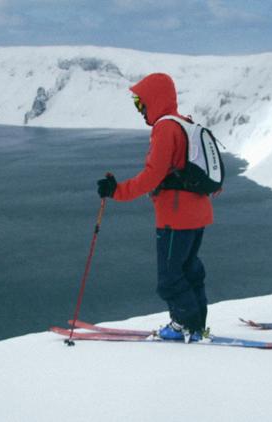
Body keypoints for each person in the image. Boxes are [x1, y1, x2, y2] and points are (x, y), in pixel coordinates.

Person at [96, 73, 213, 342]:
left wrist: (117, 191)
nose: (140, 110)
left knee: (171, 278)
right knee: (190, 270)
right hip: (197, 213)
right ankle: (196, 326)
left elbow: (152, 175)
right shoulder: (185, 123)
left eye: (141, 103)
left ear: (155, 100)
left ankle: (185, 326)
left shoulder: (165, 128)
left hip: (176, 217)